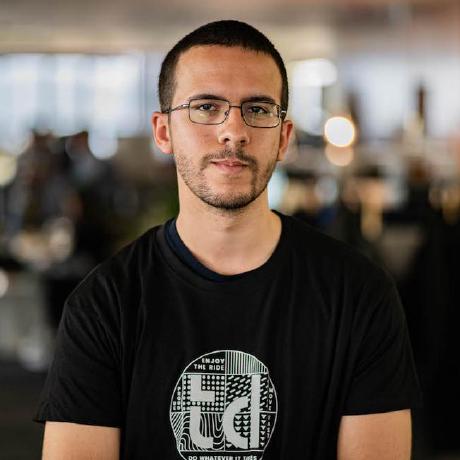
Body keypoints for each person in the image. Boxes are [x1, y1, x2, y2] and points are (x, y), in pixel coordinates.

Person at [35, 20, 422, 459]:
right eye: (205, 106)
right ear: (163, 132)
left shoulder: (359, 295)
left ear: (284, 138)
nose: (234, 131)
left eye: (257, 109)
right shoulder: (104, 305)